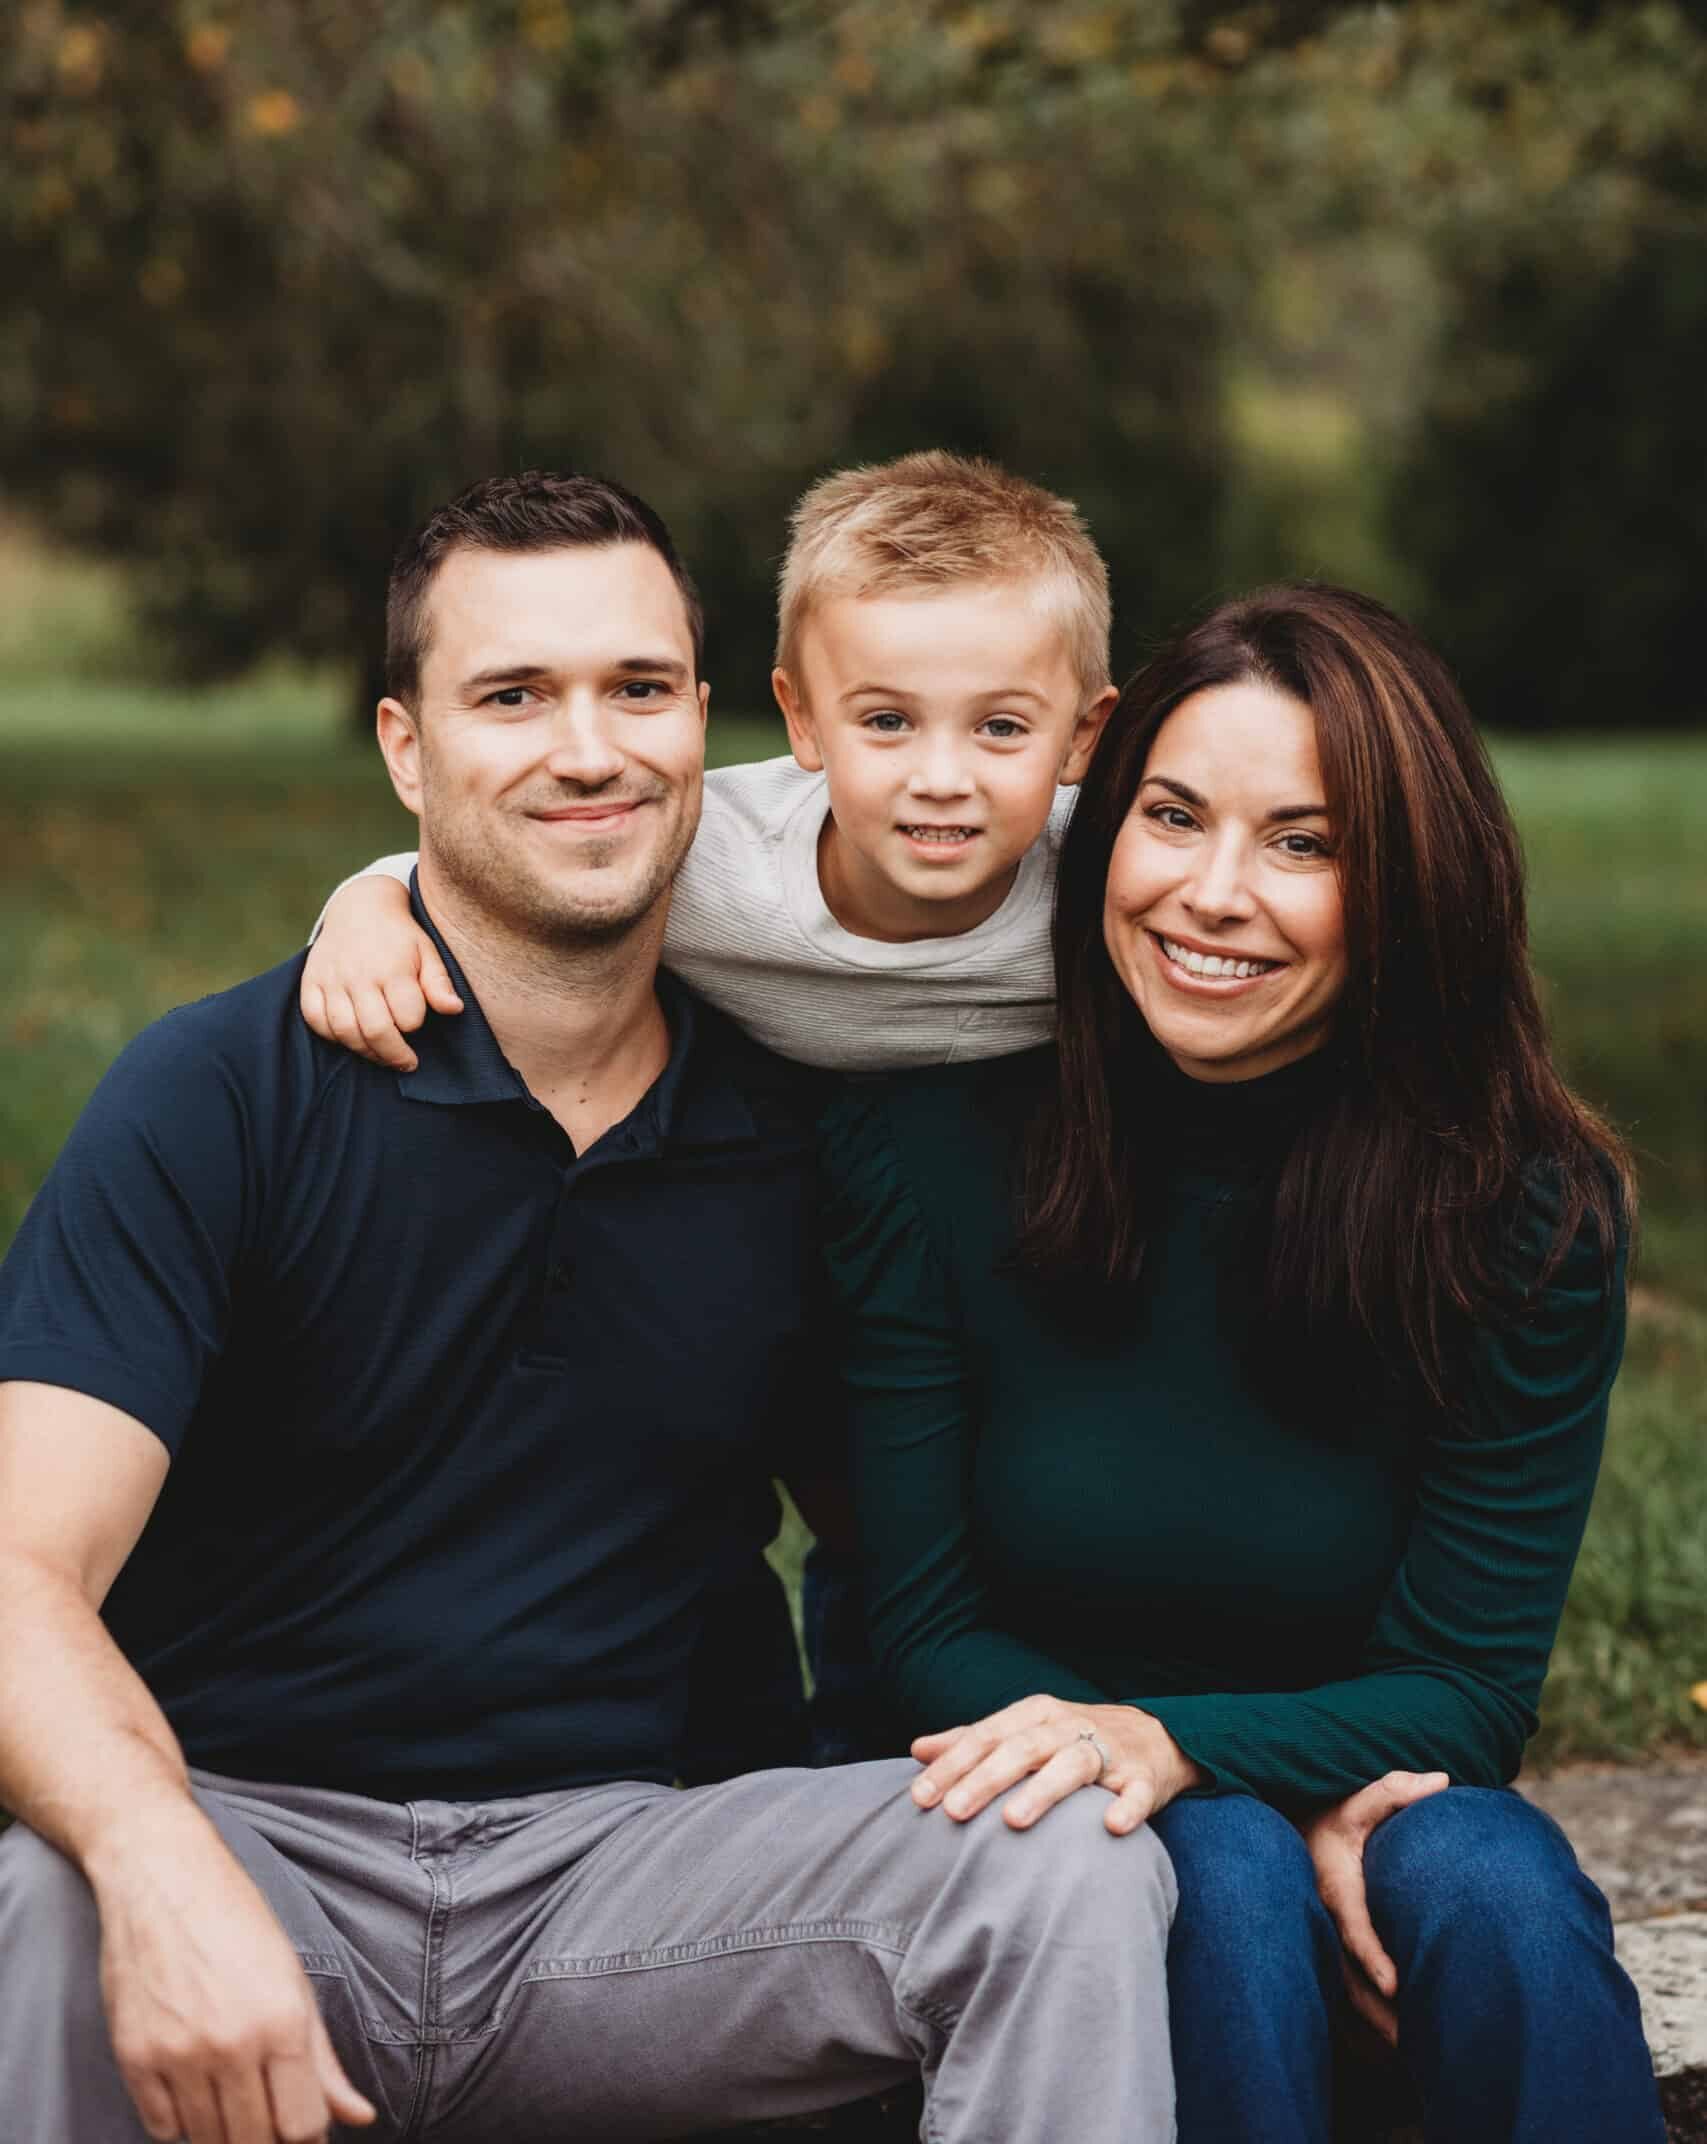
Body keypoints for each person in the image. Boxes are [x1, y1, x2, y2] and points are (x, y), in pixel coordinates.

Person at [0, 472, 1180, 2144]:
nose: (588, 748)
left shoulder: (794, 1128)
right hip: (260, 1850)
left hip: (634, 1891)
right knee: (49, 1896)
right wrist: (155, 1861)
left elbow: (895, 1530)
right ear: (406, 749)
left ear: (707, 723)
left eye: (634, 688)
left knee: (1059, 1860)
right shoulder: (220, 1092)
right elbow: (17, 1571)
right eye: (512, 695)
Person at [815, 583, 1667, 2143]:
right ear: (1097, 830)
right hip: (1000, 1804)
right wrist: (379, 897)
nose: (1212, 893)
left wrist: (1186, 1746)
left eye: (1303, 843)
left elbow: (1463, 1692)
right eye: (1170, 816)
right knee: (1218, 1869)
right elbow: (915, 1630)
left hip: (1354, 1804)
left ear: (1411, 886)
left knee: (1484, 1873)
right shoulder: (925, 1150)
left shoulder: (1518, 1211)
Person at [297, 449, 1118, 1075]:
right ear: (801, 721)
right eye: (887, 720)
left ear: (1082, 736)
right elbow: (483, 866)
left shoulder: (1115, 878)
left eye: (1002, 728)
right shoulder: (700, 857)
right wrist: (362, 912)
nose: (942, 779)